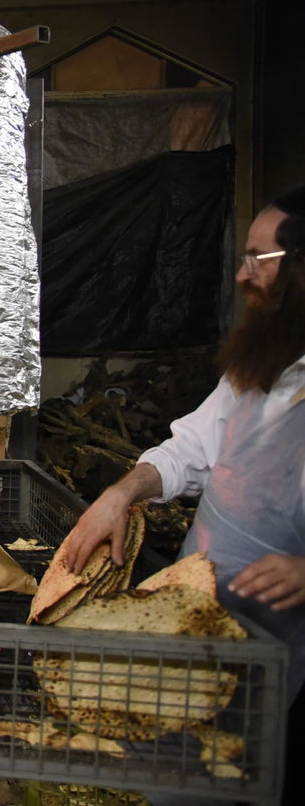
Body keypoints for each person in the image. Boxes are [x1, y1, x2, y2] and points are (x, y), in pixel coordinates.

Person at [62, 183, 305, 804]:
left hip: (283, 646)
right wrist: (124, 492)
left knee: (251, 774)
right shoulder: (262, 364)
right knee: (177, 772)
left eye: (259, 259)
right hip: (198, 617)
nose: (243, 275)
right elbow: (190, 449)